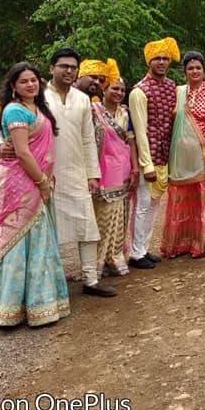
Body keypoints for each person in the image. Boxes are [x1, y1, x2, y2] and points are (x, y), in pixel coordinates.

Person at [0, 62, 70, 326]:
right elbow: (23, 151)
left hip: (39, 179)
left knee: (38, 237)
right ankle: (7, 307)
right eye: (24, 81)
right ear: (13, 86)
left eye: (34, 80)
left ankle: (40, 304)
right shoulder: (15, 110)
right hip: (22, 182)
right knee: (17, 237)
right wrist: (40, 180)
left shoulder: (38, 109)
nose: (31, 84)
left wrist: (47, 177)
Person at [43, 47, 115, 297]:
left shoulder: (83, 99)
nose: (69, 71)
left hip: (76, 171)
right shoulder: (39, 96)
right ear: (52, 68)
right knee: (51, 230)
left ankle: (91, 280)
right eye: (64, 66)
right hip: (46, 174)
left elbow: (87, 139)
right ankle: (53, 281)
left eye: (73, 67)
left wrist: (93, 174)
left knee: (87, 226)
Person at [160, 51, 205, 259]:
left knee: (203, 196)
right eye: (190, 68)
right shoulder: (178, 92)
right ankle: (179, 244)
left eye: (198, 67)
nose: (195, 71)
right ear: (185, 72)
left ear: (204, 70)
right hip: (180, 157)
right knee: (181, 197)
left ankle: (202, 244)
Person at [128, 37, 180, 269]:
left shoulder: (171, 87)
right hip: (148, 159)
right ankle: (136, 253)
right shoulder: (139, 91)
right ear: (149, 61)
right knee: (142, 204)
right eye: (157, 58)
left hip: (165, 155)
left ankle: (144, 248)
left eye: (165, 58)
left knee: (154, 205)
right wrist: (145, 164)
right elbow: (139, 131)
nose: (161, 62)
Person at [91, 60, 135, 277]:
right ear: (104, 88)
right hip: (103, 172)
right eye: (114, 88)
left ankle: (114, 257)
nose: (119, 93)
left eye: (122, 90)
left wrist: (135, 168)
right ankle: (98, 263)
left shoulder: (125, 114)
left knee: (120, 218)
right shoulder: (93, 111)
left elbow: (131, 142)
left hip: (123, 170)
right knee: (103, 219)